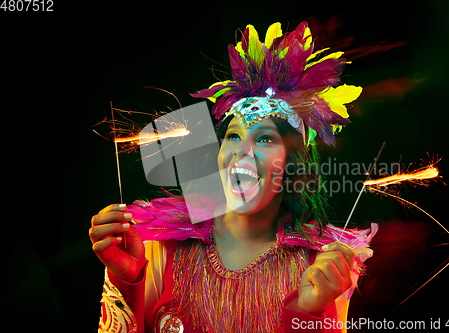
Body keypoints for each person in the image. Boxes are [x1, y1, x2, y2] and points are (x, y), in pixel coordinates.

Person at [90, 22, 377, 333]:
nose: (243, 151)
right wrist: (127, 280)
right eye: (233, 136)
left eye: (265, 139)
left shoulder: (321, 265)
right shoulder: (160, 246)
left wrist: (309, 312)